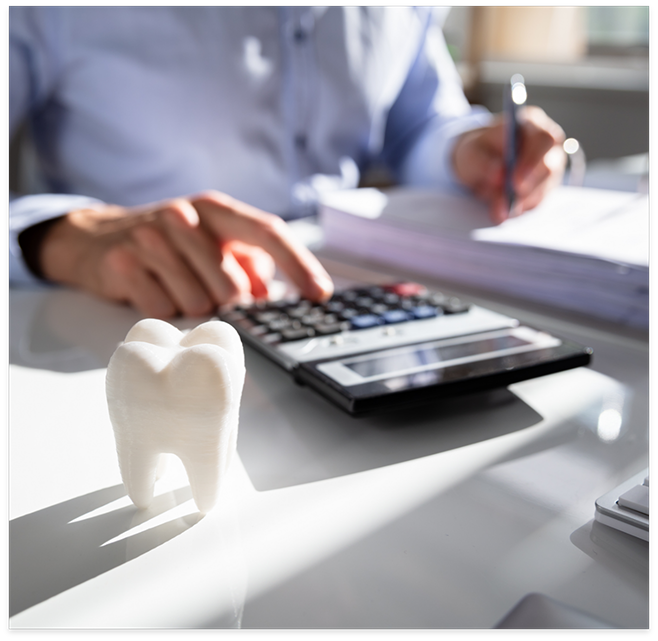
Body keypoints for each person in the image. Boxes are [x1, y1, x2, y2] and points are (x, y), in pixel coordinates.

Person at [9, 7, 566, 318]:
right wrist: (62, 237)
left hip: (352, 299)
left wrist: (467, 151)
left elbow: (418, 124)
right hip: (129, 315)